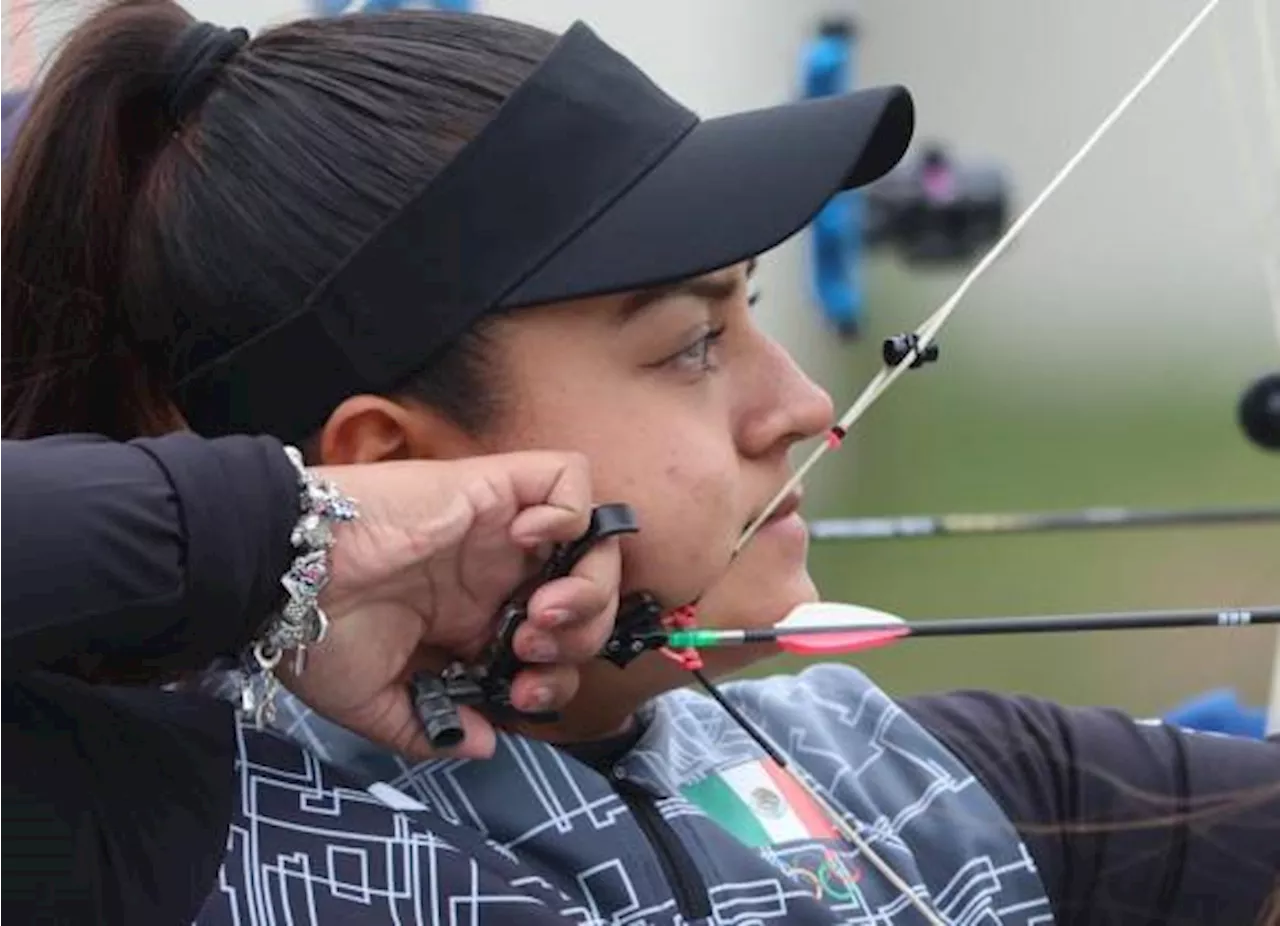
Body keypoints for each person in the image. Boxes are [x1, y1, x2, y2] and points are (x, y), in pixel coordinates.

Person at [3, 2, 1279, 924]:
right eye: (689, 345)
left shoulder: (915, 779)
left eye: (753, 311)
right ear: (389, 460)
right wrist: (283, 532)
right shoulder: (157, 830)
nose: (799, 404)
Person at [0, 430, 623, 924]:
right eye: (690, 348)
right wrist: (271, 532)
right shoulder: (158, 817)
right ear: (387, 446)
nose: (727, 425)